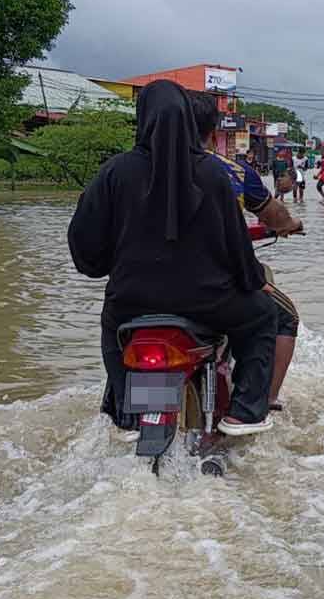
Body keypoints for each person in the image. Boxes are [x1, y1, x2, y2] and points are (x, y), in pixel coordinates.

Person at [68, 80, 276, 436]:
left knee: (111, 329)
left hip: (130, 305)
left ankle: (126, 412)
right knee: (263, 316)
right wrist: (255, 283)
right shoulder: (213, 174)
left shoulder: (114, 172)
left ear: (142, 117)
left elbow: (86, 252)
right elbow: (238, 252)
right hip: (211, 303)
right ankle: (245, 412)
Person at [189, 92, 303, 413]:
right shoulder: (231, 172)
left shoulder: (133, 169)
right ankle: (258, 402)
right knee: (281, 316)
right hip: (216, 289)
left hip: (144, 290)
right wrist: (291, 224)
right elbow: (274, 216)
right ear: (214, 134)